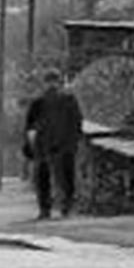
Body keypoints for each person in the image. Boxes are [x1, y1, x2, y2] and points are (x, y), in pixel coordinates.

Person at [24, 69, 83, 219]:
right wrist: (74, 141)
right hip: (59, 145)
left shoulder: (39, 102)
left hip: (47, 145)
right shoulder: (68, 100)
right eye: (51, 81)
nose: (51, 85)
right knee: (64, 177)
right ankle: (64, 208)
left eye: (52, 81)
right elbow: (77, 122)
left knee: (47, 178)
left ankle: (49, 209)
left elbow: (29, 127)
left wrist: (29, 145)